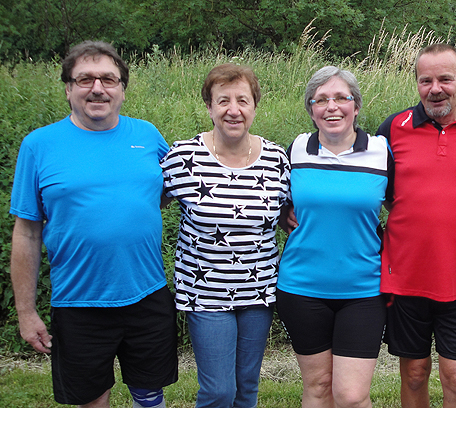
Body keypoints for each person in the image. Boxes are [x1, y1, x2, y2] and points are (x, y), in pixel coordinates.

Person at [10, 40, 177, 408]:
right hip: (79, 302)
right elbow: (26, 231)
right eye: (85, 79)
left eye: (108, 79)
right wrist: (26, 312)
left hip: (146, 294)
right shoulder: (39, 146)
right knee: (90, 404)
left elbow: (171, 190)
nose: (98, 88)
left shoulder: (147, 136)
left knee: (150, 395)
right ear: (68, 88)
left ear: (122, 88)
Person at [377, 43, 456, 407]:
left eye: (445, 79)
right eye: (426, 80)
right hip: (406, 276)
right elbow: (380, 192)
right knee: (415, 373)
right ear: (416, 84)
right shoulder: (392, 128)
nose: (436, 88)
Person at [160, 64, 289, 407]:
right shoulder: (183, 157)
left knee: (246, 388)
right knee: (219, 391)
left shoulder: (277, 159)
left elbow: (290, 217)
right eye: (223, 101)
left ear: (255, 107)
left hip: (258, 291)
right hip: (205, 293)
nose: (234, 110)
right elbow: (146, 206)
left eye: (243, 101)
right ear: (209, 107)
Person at [276, 66, 390, 407]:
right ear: (311, 109)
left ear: (356, 105)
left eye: (342, 97)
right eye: (321, 99)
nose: (332, 106)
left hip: (363, 289)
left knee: (351, 396)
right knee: (318, 387)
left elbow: (403, 209)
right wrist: (283, 213)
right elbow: (273, 200)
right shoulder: (295, 150)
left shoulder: (382, 152)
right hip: (302, 288)